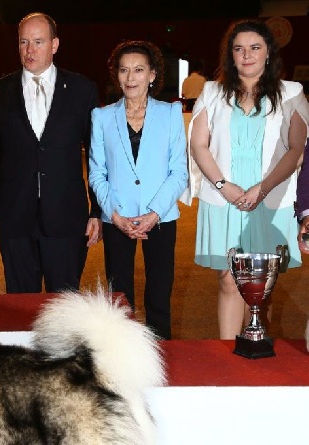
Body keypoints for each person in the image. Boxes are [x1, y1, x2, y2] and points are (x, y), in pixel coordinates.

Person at [184, 19, 309, 340]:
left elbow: (297, 148)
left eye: (255, 48)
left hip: (270, 200)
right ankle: (229, 360)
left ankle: (256, 355)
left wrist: (261, 187)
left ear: (269, 53)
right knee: (228, 280)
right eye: (239, 49)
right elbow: (198, 144)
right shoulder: (211, 93)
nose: (247, 55)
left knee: (262, 288)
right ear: (230, 55)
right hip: (224, 199)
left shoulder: (290, 93)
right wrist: (225, 187)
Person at [0, 12, 102, 293]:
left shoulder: (82, 90)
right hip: (14, 218)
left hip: (67, 218)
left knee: (64, 308)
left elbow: (97, 156)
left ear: (55, 45)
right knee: (20, 307)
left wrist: (96, 211)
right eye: (23, 42)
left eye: (38, 41)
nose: (29, 50)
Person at [89, 40, 188, 340]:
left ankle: (162, 358)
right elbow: (96, 171)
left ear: (153, 75)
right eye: (124, 70)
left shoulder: (171, 114)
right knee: (119, 299)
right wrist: (114, 214)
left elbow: (179, 171)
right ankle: (121, 357)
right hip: (117, 217)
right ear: (116, 75)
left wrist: (155, 212)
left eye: (138, 70)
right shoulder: (102, 116)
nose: (130, 78)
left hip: (160, 217)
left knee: (159, 297)